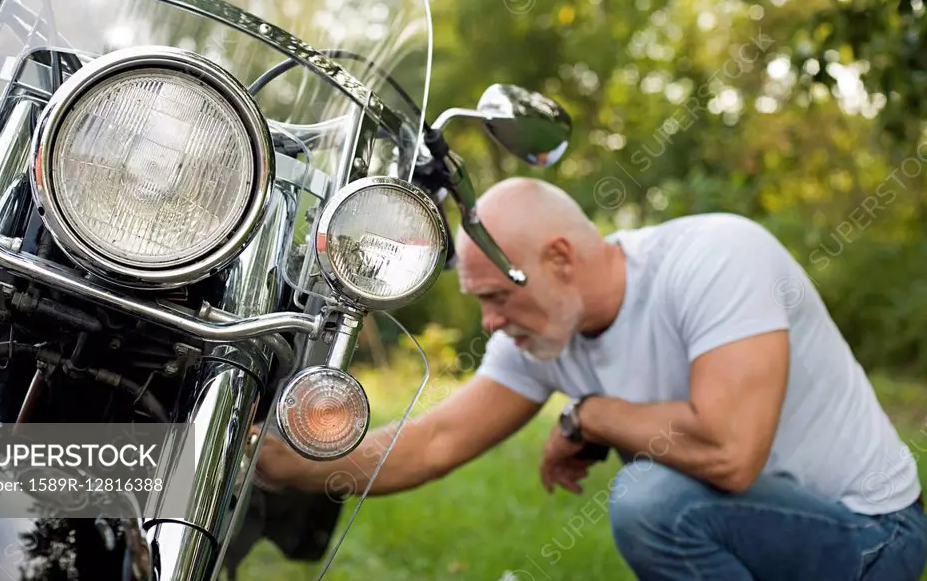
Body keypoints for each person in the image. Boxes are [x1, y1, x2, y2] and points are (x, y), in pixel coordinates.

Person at [255, 176, 927, 580]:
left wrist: (591, 415)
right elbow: (431, 445)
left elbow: (730, 451)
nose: (489, 323)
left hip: (872, 539)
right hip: (772, 530)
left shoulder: (716, 257)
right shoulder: (542, 330)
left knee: (651, 502)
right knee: (654, 496)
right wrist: (276, 462)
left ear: (559, 257)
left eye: (496, 298)